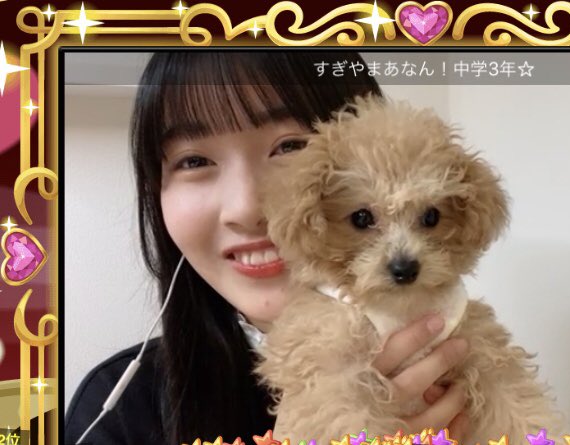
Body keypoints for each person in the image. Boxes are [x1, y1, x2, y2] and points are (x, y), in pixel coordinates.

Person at [65, 51, 470, 445]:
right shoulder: (116, 410)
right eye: (194, 161)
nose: (246, 209)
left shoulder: (460, 351)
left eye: (290, 147)